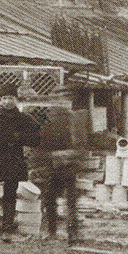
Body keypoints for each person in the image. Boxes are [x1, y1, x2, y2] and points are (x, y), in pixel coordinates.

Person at [0, 87, 39, 239]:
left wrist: (20, 137)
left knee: (9, 196)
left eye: (10, 97)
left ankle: (7, 231)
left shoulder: (24, 119)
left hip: (13, 161)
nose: (7, 101)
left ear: (16, 99)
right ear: (0, 100)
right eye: (4, 98)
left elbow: (36, 139)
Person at [33, 97, 86, 244]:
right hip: (53, 166)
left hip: (66, 166)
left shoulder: (72, 120)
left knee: (67, 201)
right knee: (53, 200)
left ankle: (69, 232)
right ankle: (54, 231)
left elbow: (81, 146)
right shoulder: (46, 120)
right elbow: (38, 145)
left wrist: (67, 155)